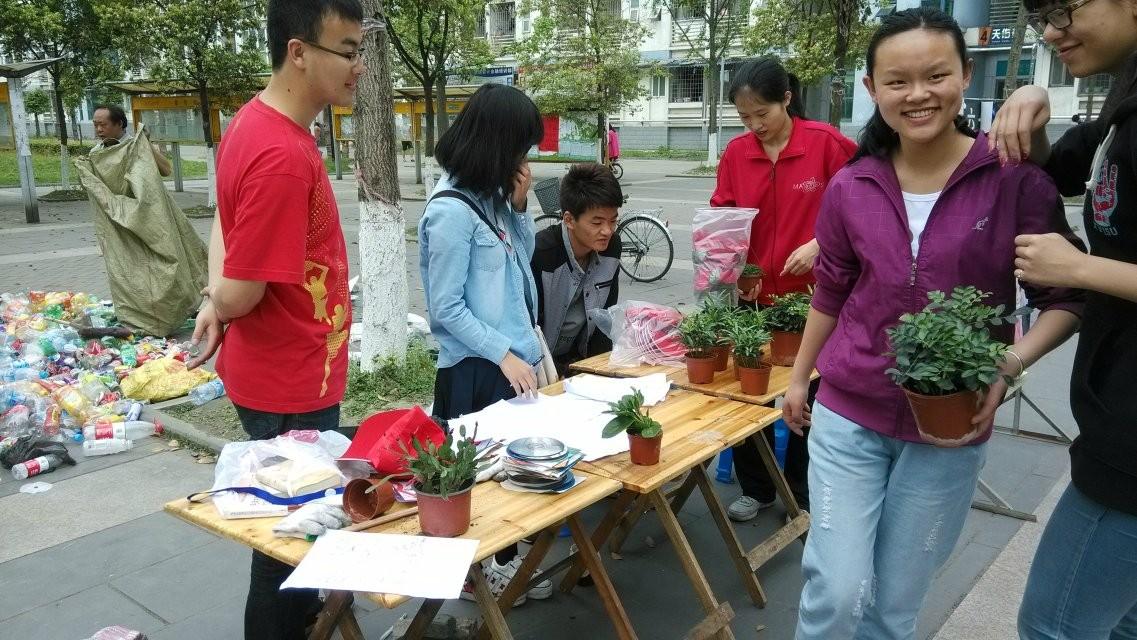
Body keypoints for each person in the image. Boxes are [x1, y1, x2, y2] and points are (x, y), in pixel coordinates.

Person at [782, 8, 1084, 639]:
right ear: (872, 88)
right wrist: (799, 376)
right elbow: (832, 288)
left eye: (935, 75)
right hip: (848, 413)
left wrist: (1008, 364)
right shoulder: (852, 185)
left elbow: (1065, 297)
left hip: (952, 427)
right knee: (835, 590)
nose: (917, 94)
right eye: (897, 81)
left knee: (894, 606)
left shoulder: (1013, 181)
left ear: (965, 75)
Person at [185, 0, 364, 637]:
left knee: (289, 535)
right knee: (287, 544)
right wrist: (219, 299)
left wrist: (215, 296)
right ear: (299, 51)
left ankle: (307, 620)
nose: (359, 67)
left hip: (283, 368)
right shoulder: (283, 153)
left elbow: (223, 222)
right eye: (348, 51)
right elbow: (241, 295)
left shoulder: (250, 122)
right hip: (289, 382)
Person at [991, 1, 1137, 637]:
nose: (1051, 31)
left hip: (1129, 449)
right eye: (1040, 15)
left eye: (1063, 7)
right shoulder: (1125, 93)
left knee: (1055, 625)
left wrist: (1080, 269)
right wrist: (1031, 100)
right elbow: (1064, 169)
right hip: (1115, 410)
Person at [418, 83, 554, 604]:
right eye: (520, 148)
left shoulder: (490, 196)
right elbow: (446, 309)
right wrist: (504, 354)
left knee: (508, 477)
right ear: (497, 144)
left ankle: (502, 563)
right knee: (477, 481)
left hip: (511, 360)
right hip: (476, 368)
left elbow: (521, 260)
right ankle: (473, 577)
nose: (524, 159)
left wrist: (518, 206)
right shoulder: (450, 212)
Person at [710, 55, 857, 521]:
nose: (755, 126)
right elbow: (723, 219)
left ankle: (802, 490)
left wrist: (820, 243)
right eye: (744, 117)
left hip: (813, 301)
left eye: (763, 114)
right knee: (749, 394)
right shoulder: (737, 154)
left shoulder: (826, 145)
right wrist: (736, 270)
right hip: (753, 300)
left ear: (787, 99)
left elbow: (863, 207)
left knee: (807, 397)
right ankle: (757, 488)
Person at [531, 162, 623, 377]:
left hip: (583, 362)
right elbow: (530, 325)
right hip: (542, 366)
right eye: (597, 223)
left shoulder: (612, 247)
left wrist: (598, 372)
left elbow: (605, 318)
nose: (607, 231)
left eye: (613, 221)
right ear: (569, 220)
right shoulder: (541, 253)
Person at [91, 104, 174, 177]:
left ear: (119, 124)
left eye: (103, 125)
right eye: (95, 125)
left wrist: (146, 143)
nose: (99, 129)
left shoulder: (138, 146)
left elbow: (166, 171)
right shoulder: (96, 152)